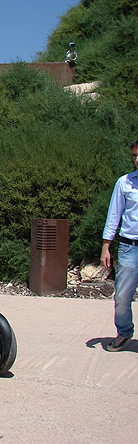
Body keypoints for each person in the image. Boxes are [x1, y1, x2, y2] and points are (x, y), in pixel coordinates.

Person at [100, 140, 138, 352]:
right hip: (129, 247)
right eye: (134, 156)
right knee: (122, 295)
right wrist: (106, 246)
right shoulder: (124, 183)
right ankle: (124, 332)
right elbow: (113, 216)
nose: (137, 160)